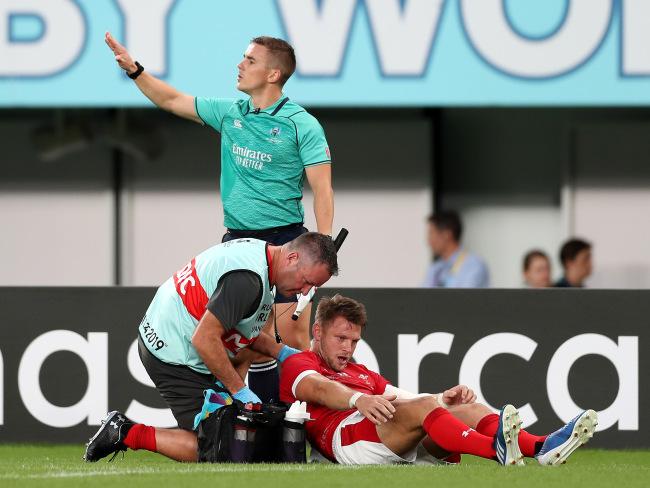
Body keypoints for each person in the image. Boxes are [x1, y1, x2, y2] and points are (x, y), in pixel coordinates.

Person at [105, 32, 334, 402]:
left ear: (273, 75)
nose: (240, 65)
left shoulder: (302, 124)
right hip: (239, 245)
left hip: (285, 242)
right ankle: (247, 432)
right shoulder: (230, 113)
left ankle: (297, 433)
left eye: (250, 60)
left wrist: (322, 249)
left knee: (291, 343)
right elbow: (171, 99)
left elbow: (323, 189)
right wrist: (135, 70)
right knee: (239, 347)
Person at [83, 232, 338, 463]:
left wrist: (281, 353)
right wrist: (240, 391)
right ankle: (125, 432)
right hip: (172, 353)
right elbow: (204, 339)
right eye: (305, 282)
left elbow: (240, 330)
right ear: (292, 257)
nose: (304, 292)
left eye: (312, 288)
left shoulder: (263, 255)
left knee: (238, 435)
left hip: (173, 333)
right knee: (221, 449)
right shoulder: (247, 281)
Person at [280, 294, 598, 466]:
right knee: (421, 409)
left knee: (470, 409)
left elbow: (404, 397)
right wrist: (358, 399)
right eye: (340, 338)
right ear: (317, 331)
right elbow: (319, 388)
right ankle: (494, 449)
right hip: (345, 441)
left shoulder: (360, 371)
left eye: (354, 341)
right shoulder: (300, 363)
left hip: (381, 434)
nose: (348, 348)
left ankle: (541, 448)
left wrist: (442, 399)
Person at [422, 211, 490, 288]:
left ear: (447, 234)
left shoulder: (473, 265)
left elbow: (464, 298)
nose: (428, 241)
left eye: (431, 233)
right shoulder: (436, 269)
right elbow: (421, 297)